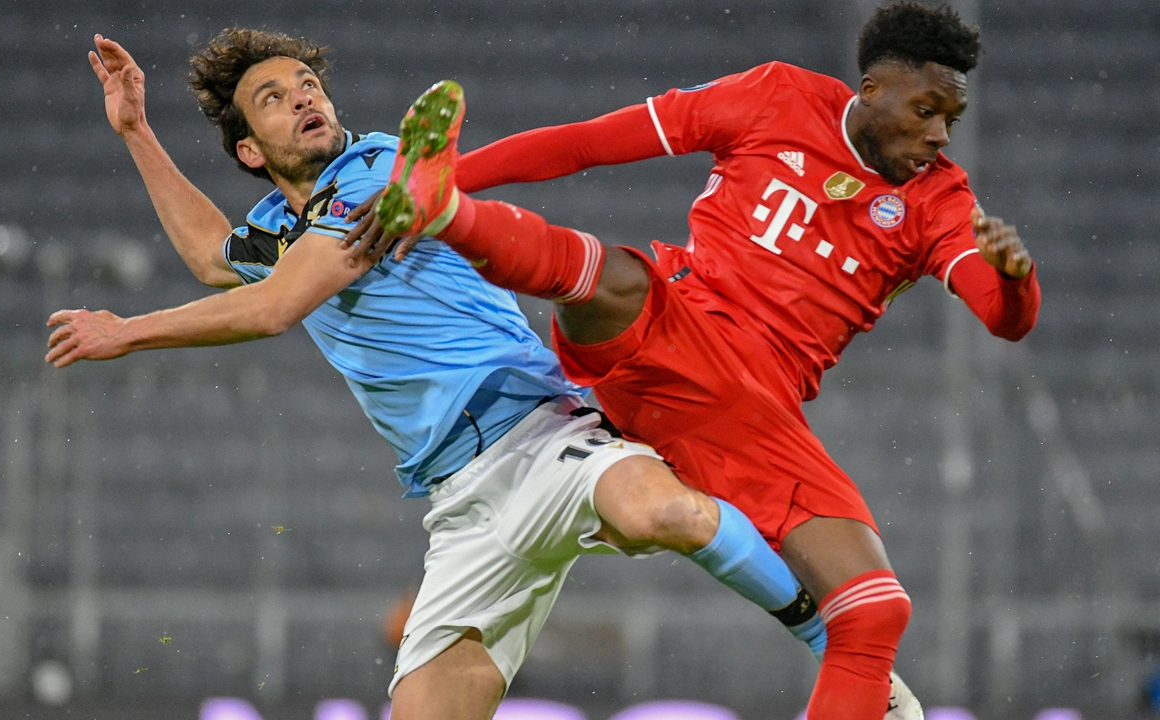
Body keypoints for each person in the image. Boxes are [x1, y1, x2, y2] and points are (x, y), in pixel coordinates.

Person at [44, 29, 882, 720]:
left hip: (539, 426)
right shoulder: (275, 226)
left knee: (657, 509)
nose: (304, 96)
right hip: (459, 500)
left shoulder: (378, 172)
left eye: (308, 83)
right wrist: (134, 131)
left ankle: (842, 654)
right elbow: (210, 258)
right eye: (275, 97)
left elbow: (275, 307)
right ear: (249, 152)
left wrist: (128, 331)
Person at [356, 2, 1040, 718]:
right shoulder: (776, 98)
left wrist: (1016, 279)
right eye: (926, 110)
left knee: (875, 612)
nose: (937, 135)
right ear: (871, 89)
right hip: (669, 328)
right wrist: (457, 176)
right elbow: (589, 143)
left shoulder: (939, 200)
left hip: (749, 410)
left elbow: (1001, 315)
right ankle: (445, 210)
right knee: (613, 276)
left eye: (950, 121)